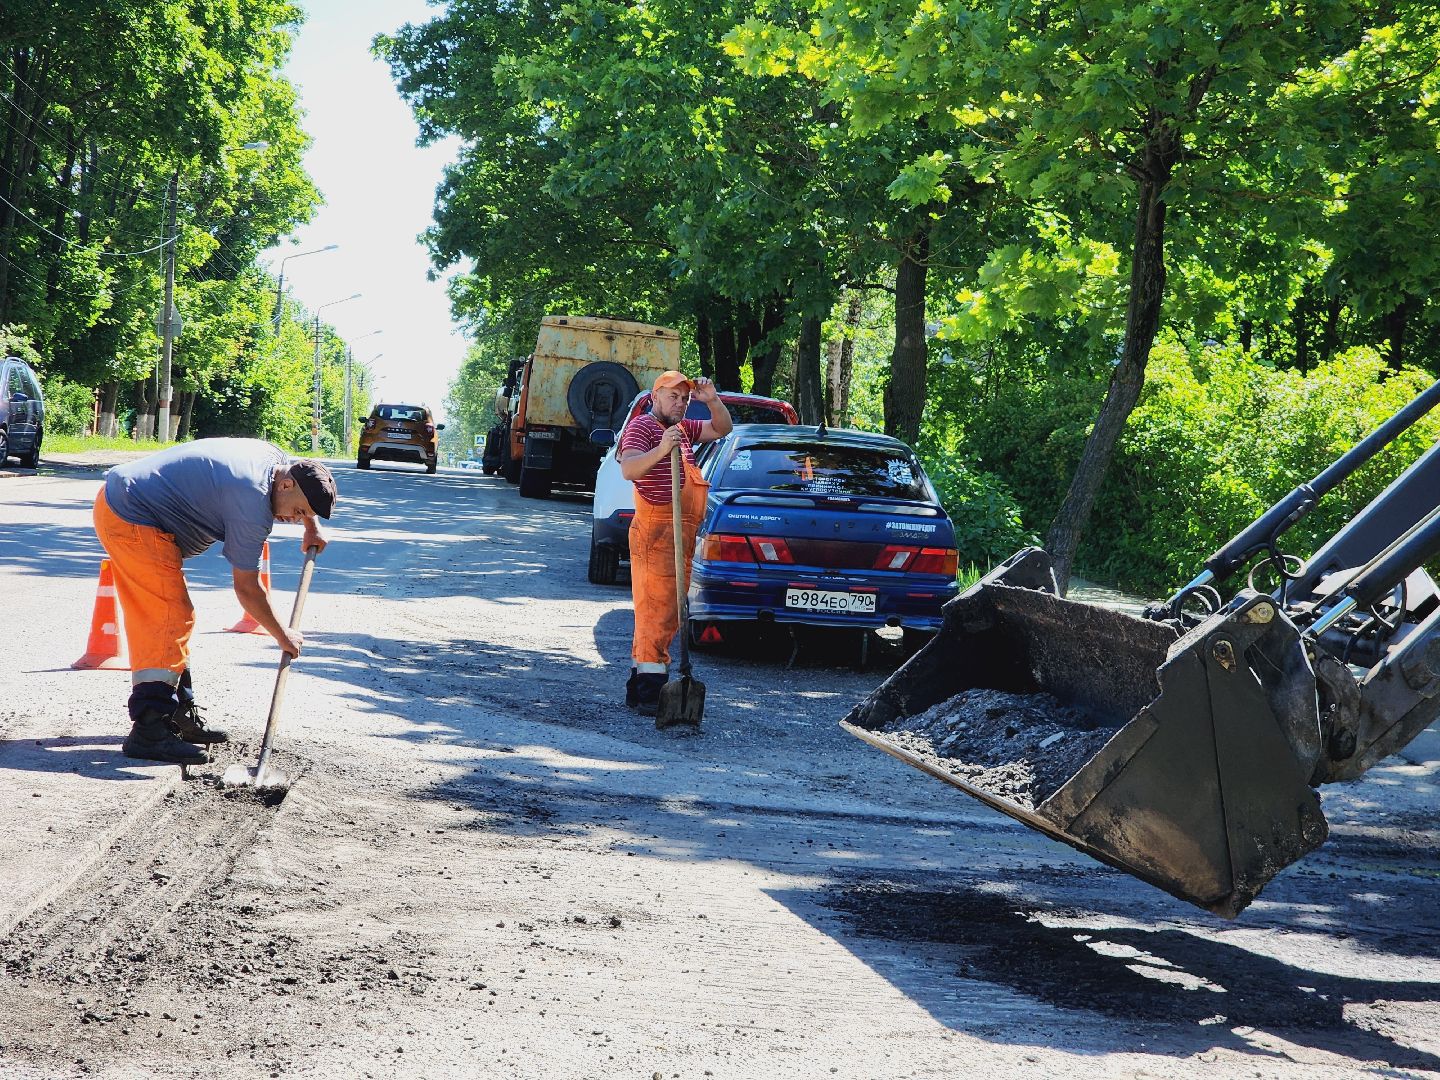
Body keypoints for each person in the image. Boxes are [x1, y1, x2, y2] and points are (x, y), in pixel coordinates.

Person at [92, 438, 336, 765]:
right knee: (168, 615)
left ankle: (176, 715)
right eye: (299, 510)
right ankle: (150, 730)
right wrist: (283, 636)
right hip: (133, 515)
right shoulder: (252, 504)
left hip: (131, 503)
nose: (294, 518)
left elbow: (304, 479)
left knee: (170, 615)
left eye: (302, 514)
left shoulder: (275, 462)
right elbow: (248, 589)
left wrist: (312, 525)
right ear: (286, 483)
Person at [618, 370, 732, 714]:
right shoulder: (642, 427)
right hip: (656, 533)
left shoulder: (681, 429)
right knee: (656, 612)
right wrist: (660, 449)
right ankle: (651, 691)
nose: (680, 404)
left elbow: (722, 429)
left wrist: (711, 400)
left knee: (664, 613)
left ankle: (640, 686)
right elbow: (629, 468)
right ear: (655, 397)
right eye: (673, 397)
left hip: (678, 534)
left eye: (684, 398)